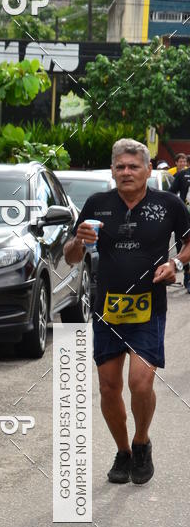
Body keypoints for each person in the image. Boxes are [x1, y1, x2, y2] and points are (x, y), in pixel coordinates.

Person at [64, 138, 190, 485]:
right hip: (109, 307)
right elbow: (71, 256)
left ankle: (142, 440)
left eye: (134, 166)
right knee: (108, 386)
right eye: (120, 166)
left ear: (149, 170)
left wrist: (176, 262)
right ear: (112, 171)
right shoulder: (97, 204)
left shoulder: (169, 204)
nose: (126, 172)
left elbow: (189, 241)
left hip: (149, 306)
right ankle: (123, 452)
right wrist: (79, 240)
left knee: (140, 381)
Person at [168, 154, 190, 290]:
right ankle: (187, 274)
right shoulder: (181, 175)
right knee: (182, 246)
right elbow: (171, 193)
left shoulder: (182, 174)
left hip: (183, 217)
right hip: (184, 218)